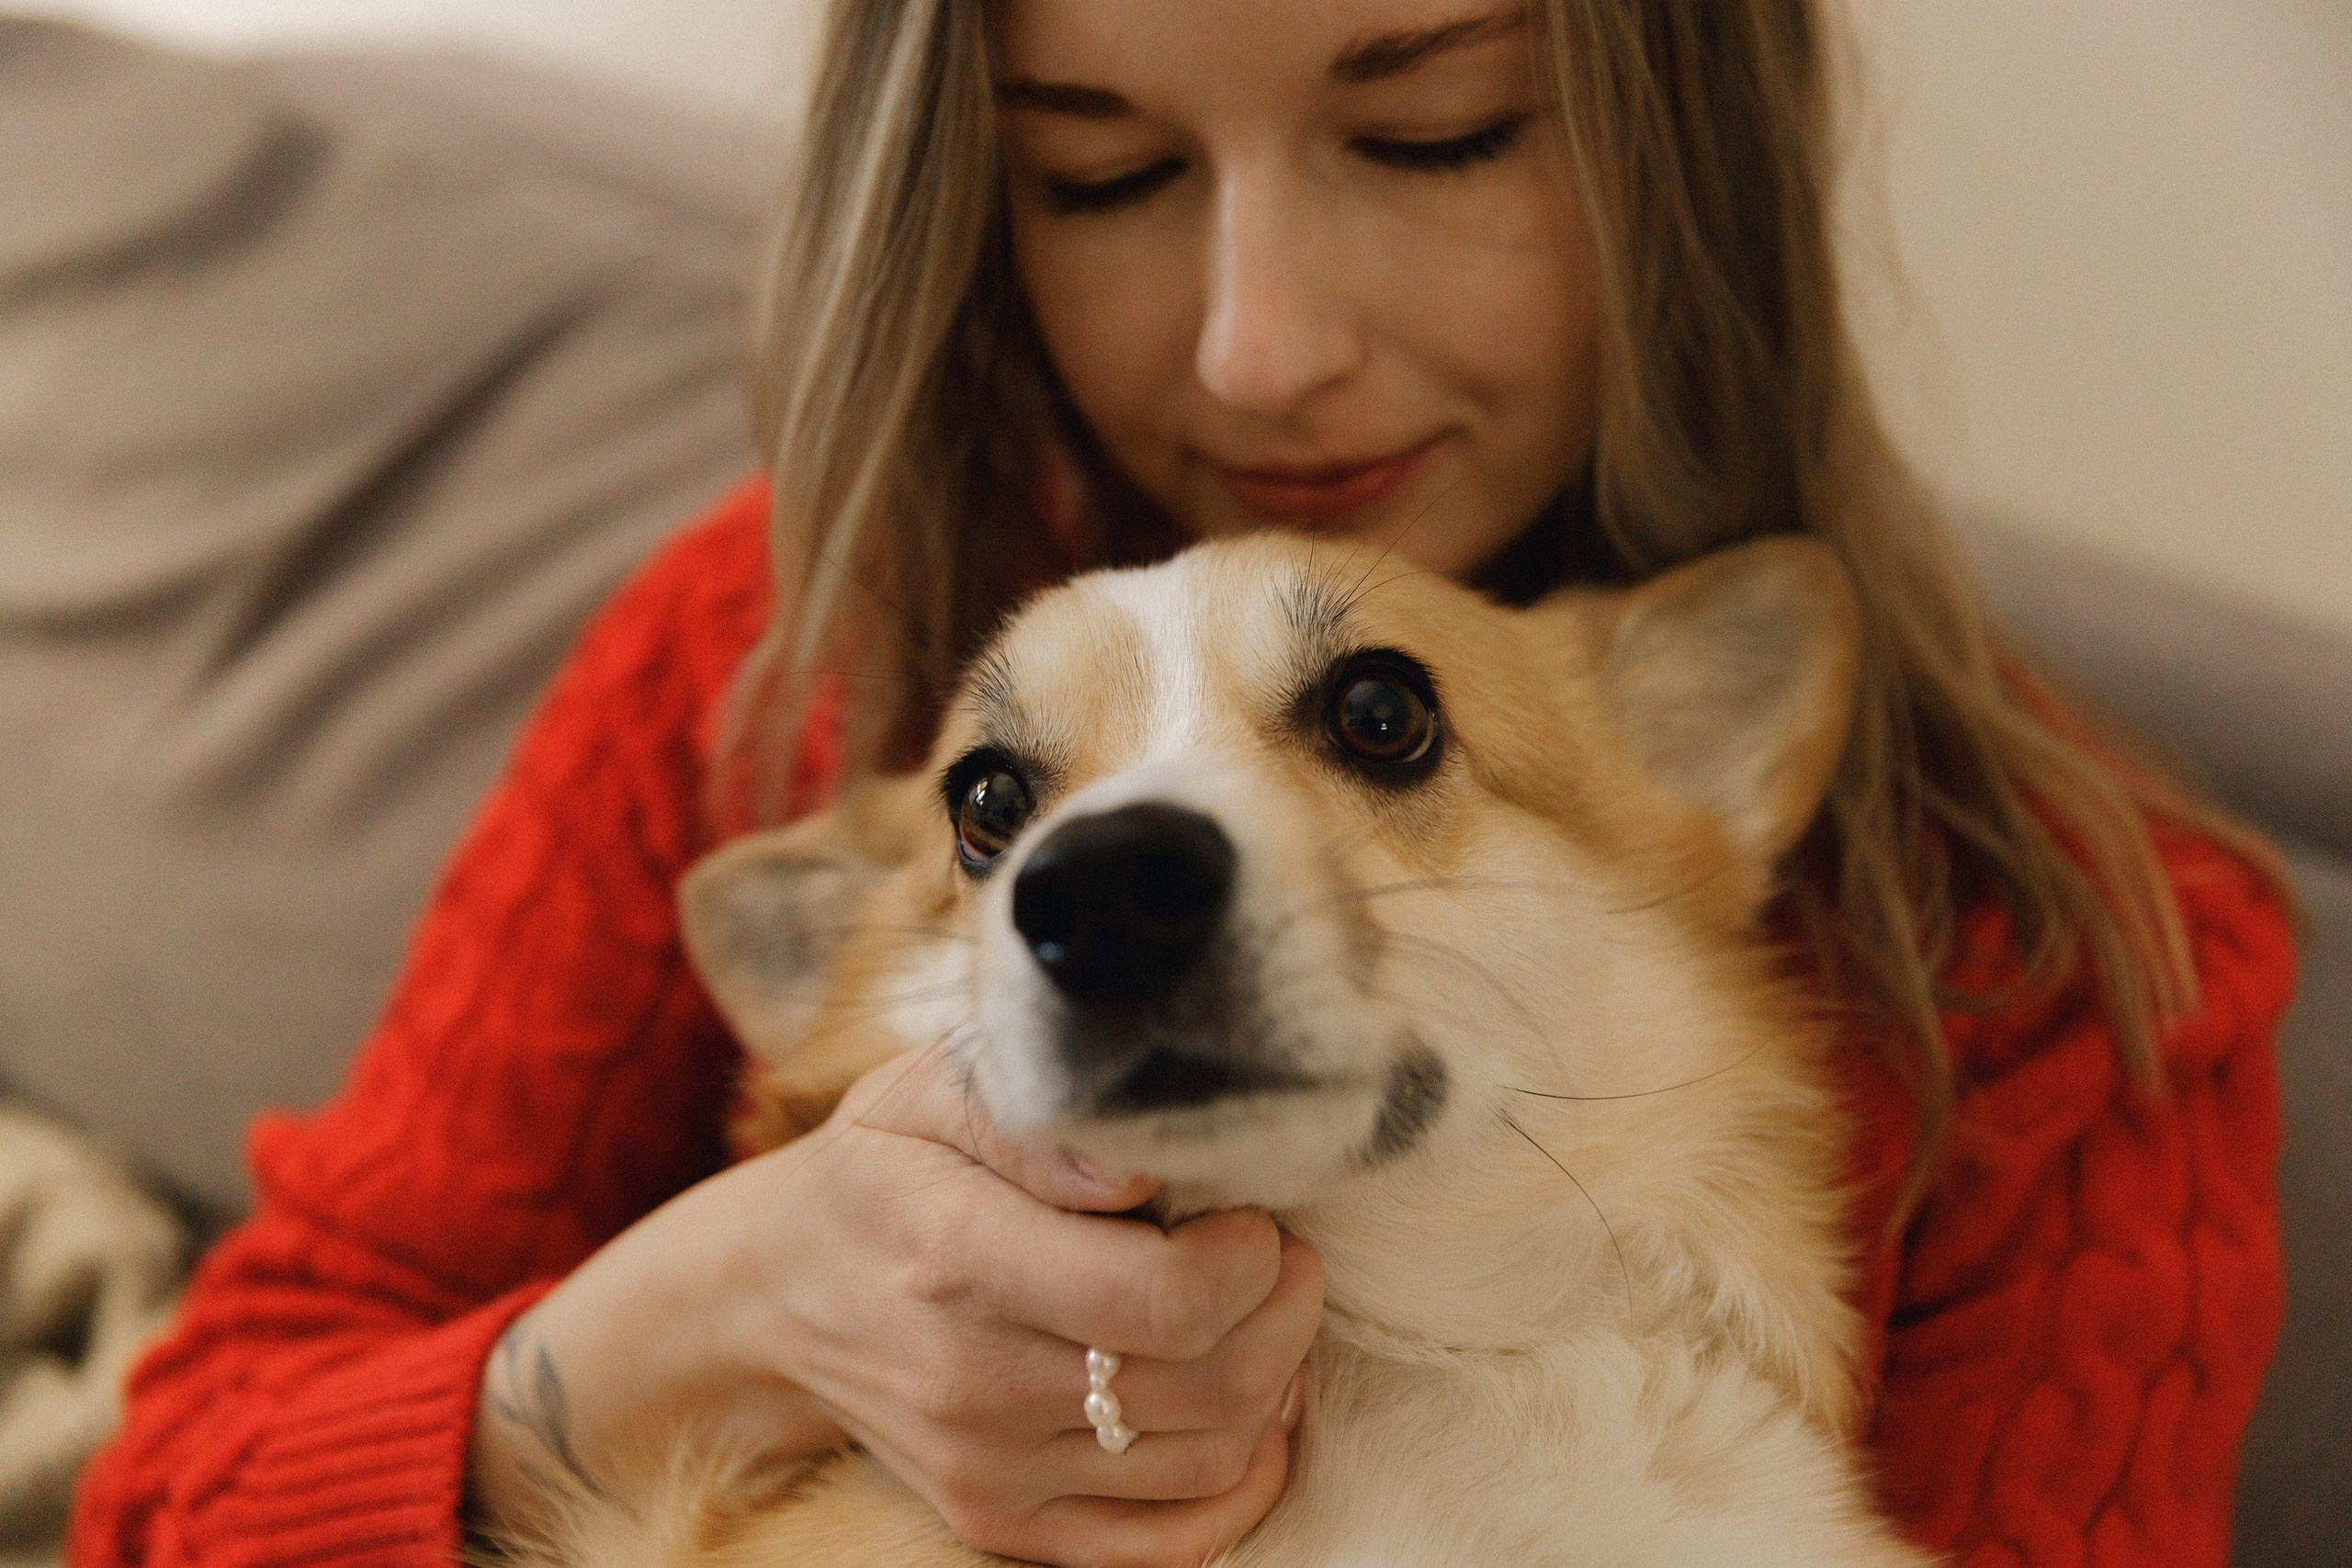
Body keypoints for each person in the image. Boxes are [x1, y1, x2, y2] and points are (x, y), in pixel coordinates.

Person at [71, 2, 2297, 1566]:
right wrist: (717, 1315)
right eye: (1100, 170)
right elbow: (174, 1494)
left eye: (1431, 130)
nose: (1256, 341)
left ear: (1669, 131)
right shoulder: (750, 660)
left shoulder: (2083, 944)